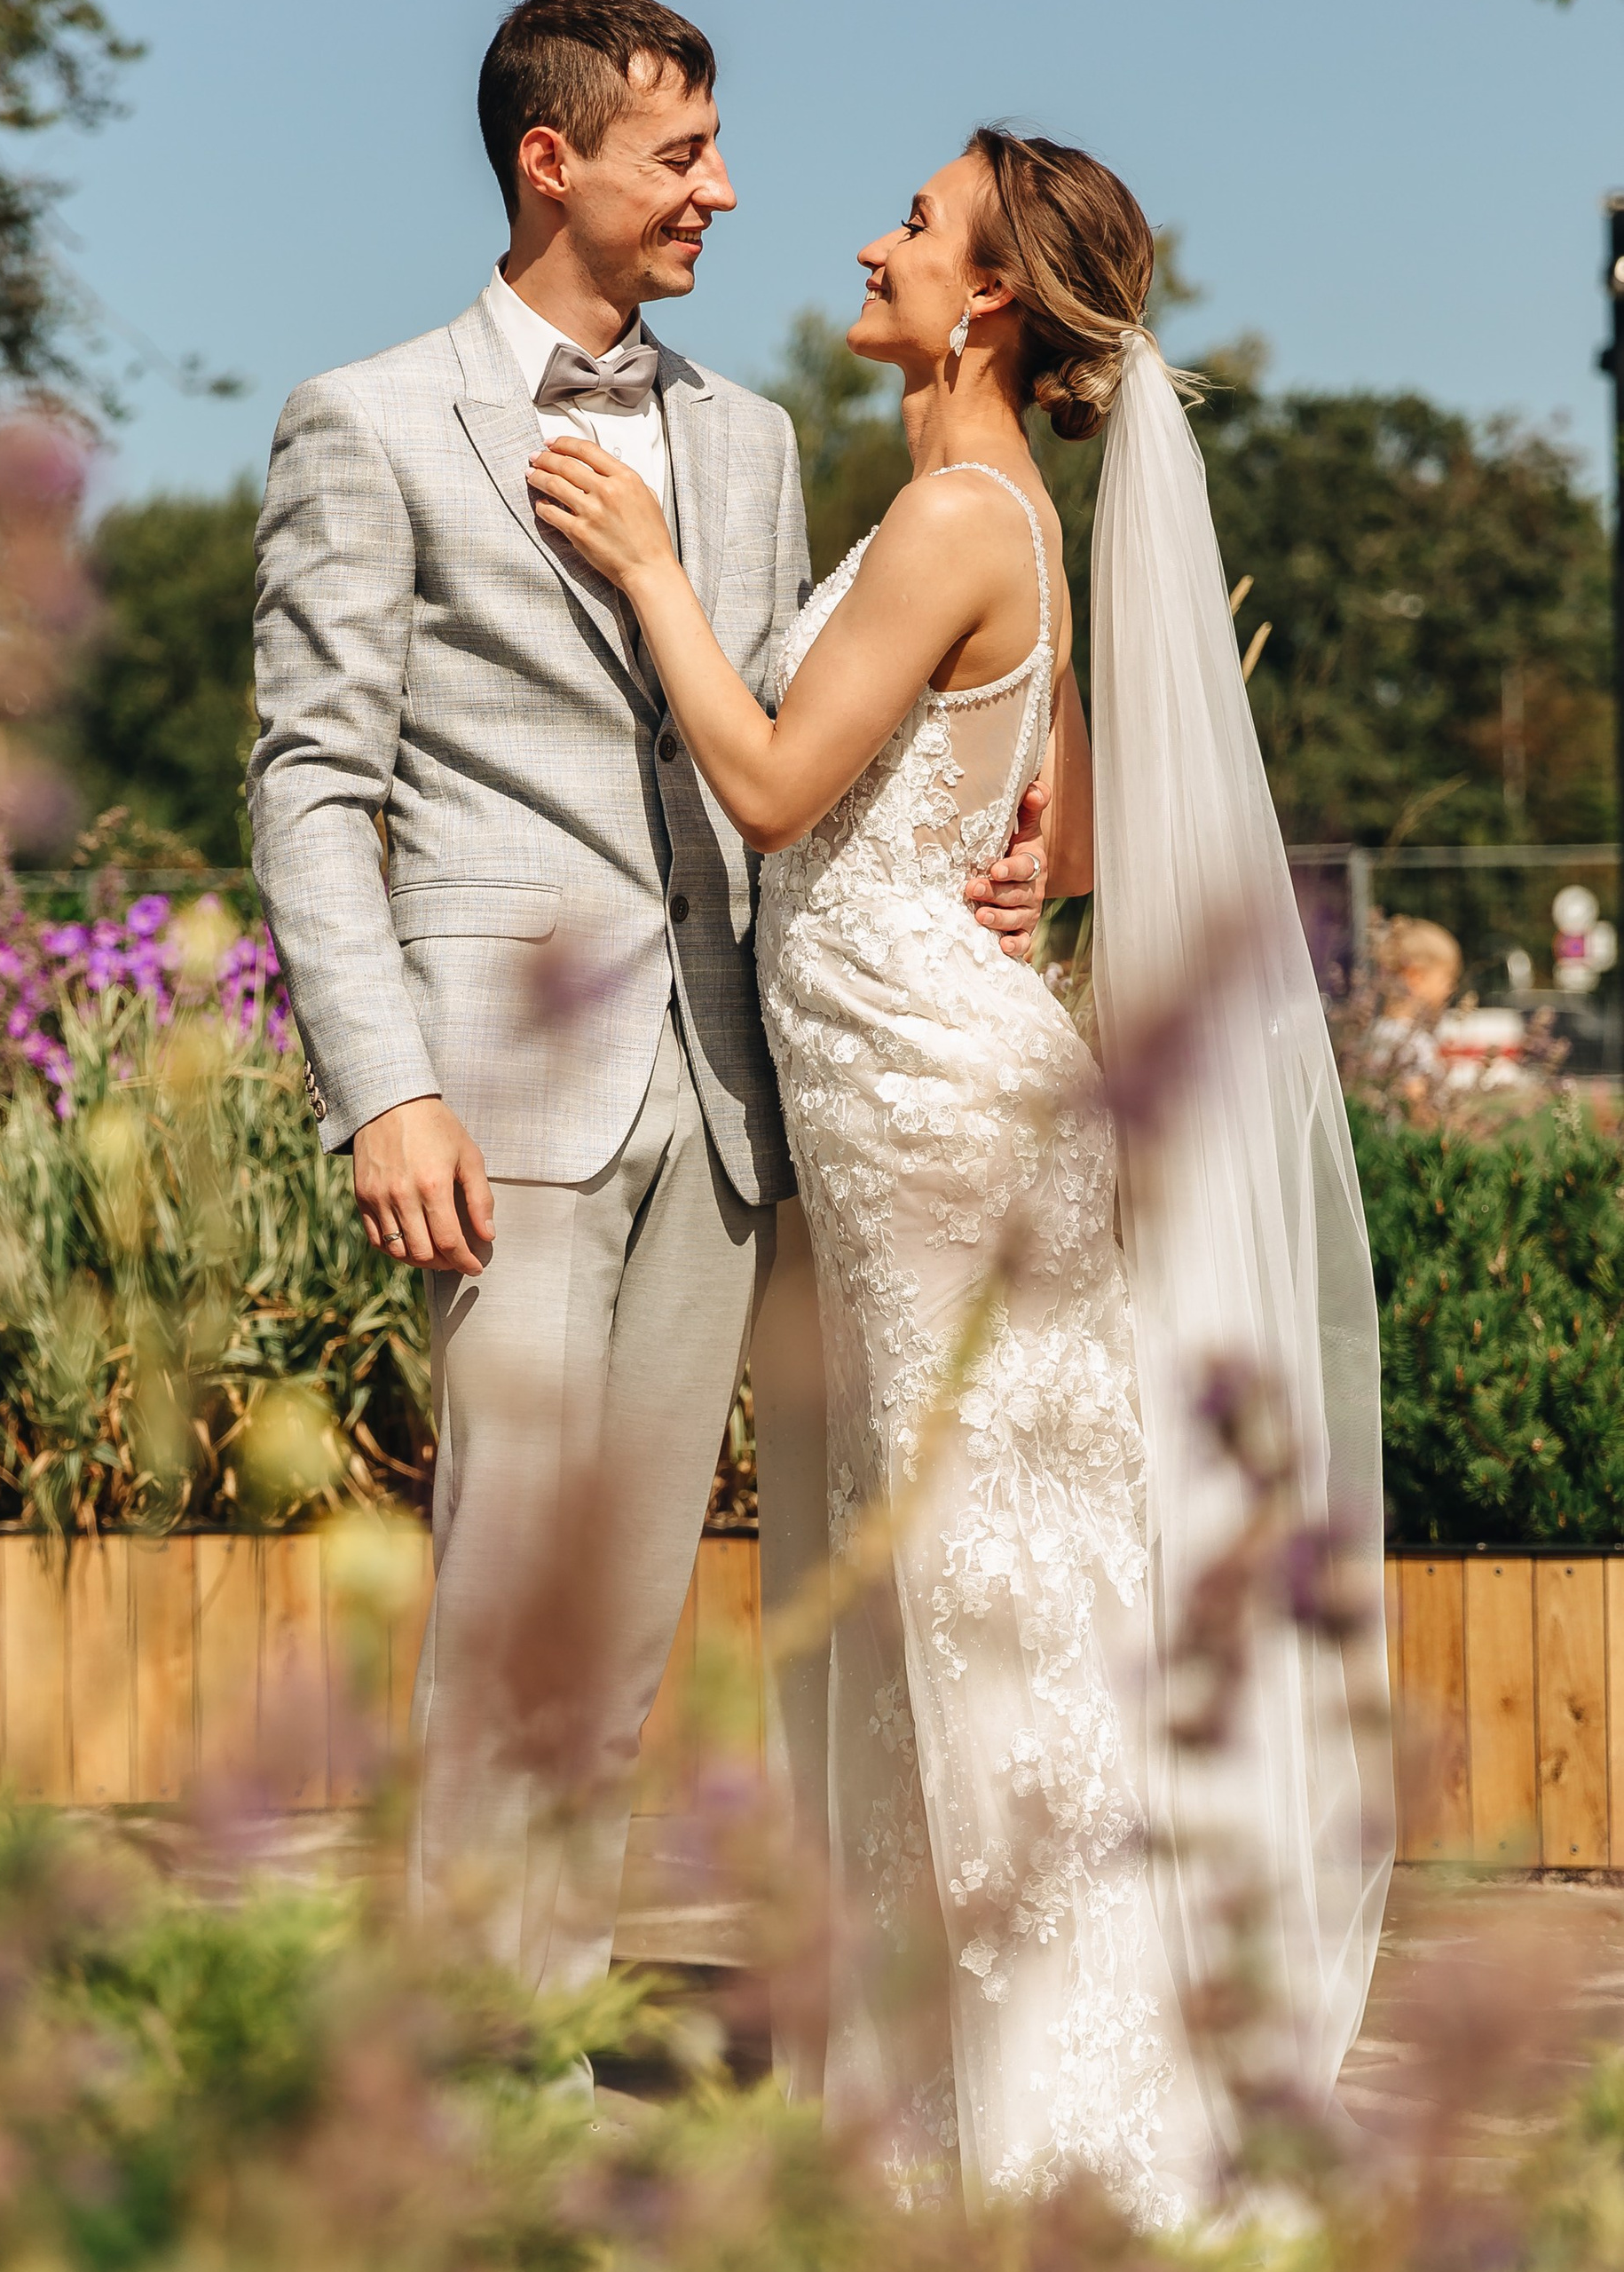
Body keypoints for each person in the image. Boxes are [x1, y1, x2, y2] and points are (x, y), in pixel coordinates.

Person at [531, 129, 1391, 2221]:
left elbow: (759, 783)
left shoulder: (946, 511)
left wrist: (645, 566)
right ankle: (959, 2066)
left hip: (930, 1125)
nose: (868, 239)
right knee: (958, 1581)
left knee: (991, 1589)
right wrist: (1005, 850)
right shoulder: (987, 513)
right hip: (922, 1094)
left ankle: (1076, 2096)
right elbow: (1070, 833)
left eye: (912, 225)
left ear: (989, 296)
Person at [247, 1, 1049, 2018]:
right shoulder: (368, 418)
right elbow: (309, 784)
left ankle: (527, 2042)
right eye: (677, 154)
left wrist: (1007, 856)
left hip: (719, 1106)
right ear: (551, 164)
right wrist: (384, 1085)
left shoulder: (751, 439)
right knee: (506, 1614)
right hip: (494, 1115)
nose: (722, 189)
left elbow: (798, 744)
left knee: (611, 1638)